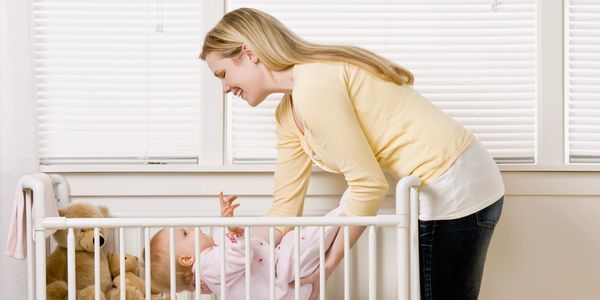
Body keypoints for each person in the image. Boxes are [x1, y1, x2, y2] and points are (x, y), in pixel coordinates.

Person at [200, 7, 505, 300]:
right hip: (436, 187)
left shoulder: (314, 86)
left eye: (223, 74)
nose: (225, 88)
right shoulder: (286, 116)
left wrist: (327, 266)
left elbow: (368, 185)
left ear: (249, 53)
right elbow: (284, 210)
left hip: (457, 180)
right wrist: (238, 250)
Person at [148, 191, 348, 299]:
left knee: (313, 238)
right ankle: (349, 205)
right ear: (186, 259)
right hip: (286, 276)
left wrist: (224, 222)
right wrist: (232, 230)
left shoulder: (210, 265)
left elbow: (221, 244)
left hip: (283, 279)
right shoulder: (207, 266)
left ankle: (344, 210)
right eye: (186, 233)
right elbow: (237, 256)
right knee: (316, 234)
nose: (194, 229)